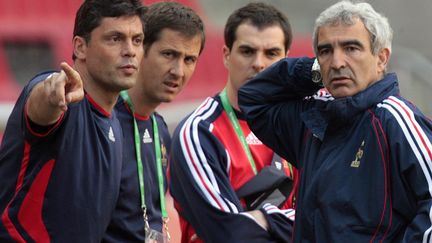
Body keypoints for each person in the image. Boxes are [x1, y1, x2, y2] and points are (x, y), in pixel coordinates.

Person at [238, 1, 432, 242]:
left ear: (381, 58)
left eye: (351, 48)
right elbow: (252, 98)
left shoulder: (395, 119)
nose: (338, 62)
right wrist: (316, 72)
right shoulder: (314, 120)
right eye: (326, 51)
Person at [0, 0, 145, 242]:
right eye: (115, 38)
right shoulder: (63, 98)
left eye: (137, 40)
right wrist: (53, 92)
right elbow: (42, 102)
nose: (130, 50)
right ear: (80, 47)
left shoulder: (115, 125)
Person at [169, 2, 297, 242]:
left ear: (286, 60)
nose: (259, 63)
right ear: (227, 56)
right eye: (247, 51)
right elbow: (229, 233)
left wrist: (264, 219)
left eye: (271, 53)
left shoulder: (300, 128)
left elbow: (332, 216)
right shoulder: (199, 132)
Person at [102, 2, 205, 242]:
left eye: (189, 59)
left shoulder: (160, 129)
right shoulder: (101, 120)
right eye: (169, 54)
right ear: (140, 48)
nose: (178, 71)